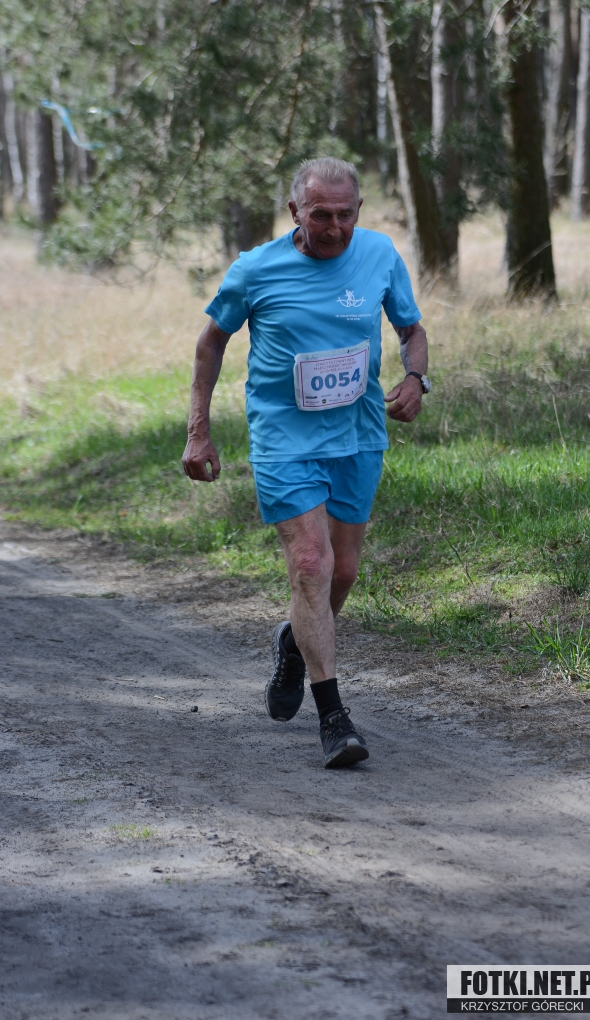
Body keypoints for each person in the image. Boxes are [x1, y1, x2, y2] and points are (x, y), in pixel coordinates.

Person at [182, 157, 430, 769]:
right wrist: (198, 433)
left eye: (346, 215)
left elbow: (411, 329)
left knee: (343, 571)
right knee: (312, 563)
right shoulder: (256, 269)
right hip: (284, 442)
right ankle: (334, 718)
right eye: (321, 215)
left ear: (359, 211)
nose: (335, 228)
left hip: (358, 437)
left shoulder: (379, 254)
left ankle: (295, 643)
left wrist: (416, 378)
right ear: (295, 211)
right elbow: (211, 343)